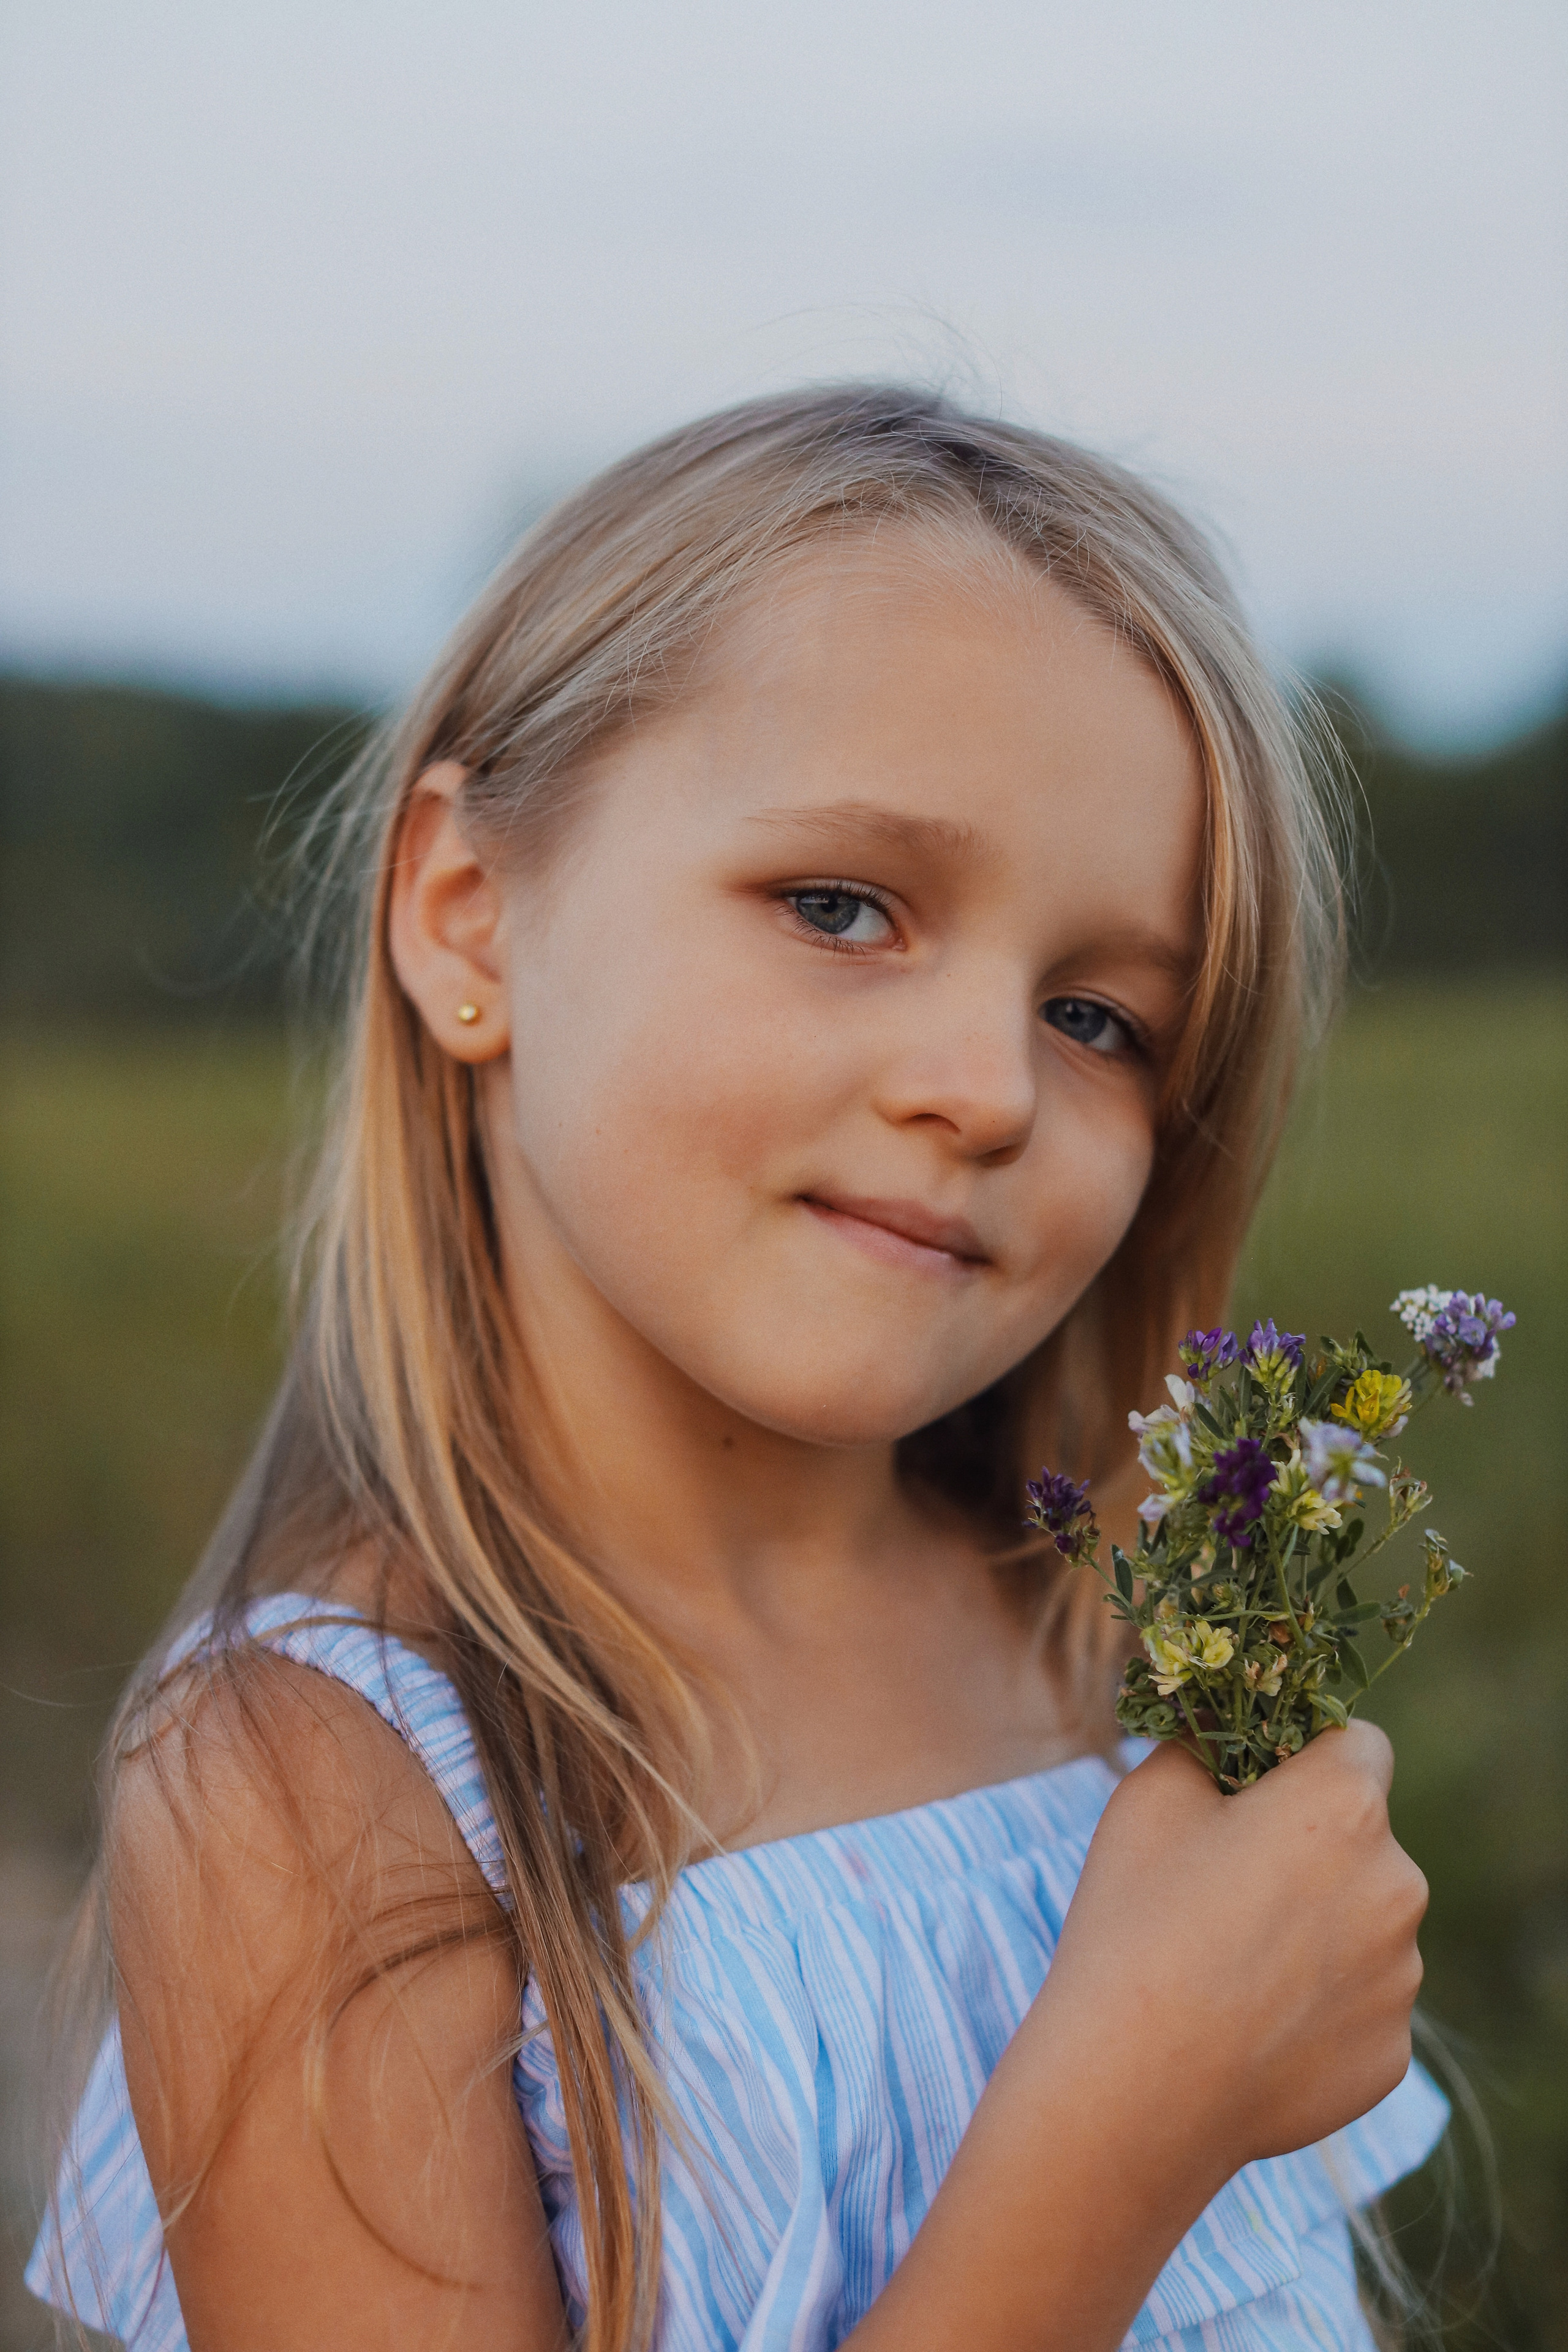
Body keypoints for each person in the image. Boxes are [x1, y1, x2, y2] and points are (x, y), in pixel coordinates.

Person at [29, 388, 1442, 2352]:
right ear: (468, 913)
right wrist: (1121, 2131)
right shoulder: (320, 1793)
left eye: (1101, 1014)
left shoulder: (1088, 1628)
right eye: (844, 908)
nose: (985, 1088)